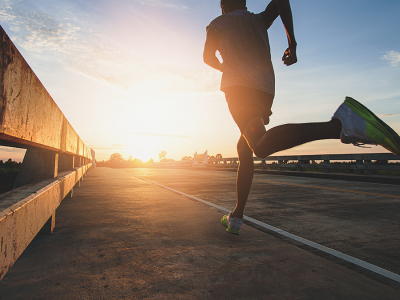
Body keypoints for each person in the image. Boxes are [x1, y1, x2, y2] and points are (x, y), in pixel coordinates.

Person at [203, 0, 400, 235]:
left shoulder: (217, 24)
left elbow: (207, 57)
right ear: (244, 4)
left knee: (259, 146)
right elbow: (280, 1)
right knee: (244, 147)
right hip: (264, 90)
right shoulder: (257, 19)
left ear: (223, 6)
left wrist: (227, 66)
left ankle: (338, 125)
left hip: (239, 88)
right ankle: (236, 216)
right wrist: (292, 44)